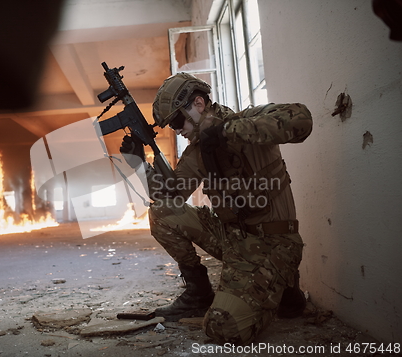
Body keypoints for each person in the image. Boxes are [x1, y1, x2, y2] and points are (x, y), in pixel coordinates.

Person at [120, 72, 313, 345]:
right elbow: (170, 194)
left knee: (223, 327)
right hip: (231, 238)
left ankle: (282, 287)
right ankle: (198, 294)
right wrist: (139, 164)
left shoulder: (245, 122)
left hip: (272, 242)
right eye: (170, 126)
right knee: (162, 212)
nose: (176, 130)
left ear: (198, 103)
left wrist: (226, 132)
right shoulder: (199, 150)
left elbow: (302, 120)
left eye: (177, 120)